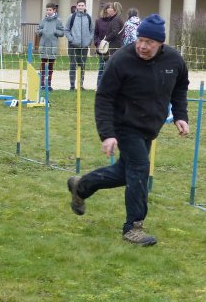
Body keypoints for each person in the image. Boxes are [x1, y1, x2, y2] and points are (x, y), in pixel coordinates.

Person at [67, 14, 189, 246]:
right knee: (140, 168)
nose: (142, 46)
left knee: (127, 171)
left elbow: (180, 87)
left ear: (160, 43)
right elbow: (104, 98)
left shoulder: (174, 60)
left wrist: (180, 116)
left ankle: (82, 185)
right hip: (124, 124)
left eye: (149, 42)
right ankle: (133, 227)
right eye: (140, 40)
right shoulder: (121, 59)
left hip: (149, 126)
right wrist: (108, 134)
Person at [65, 0, 94, 91]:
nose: (81, 7)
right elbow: (66, 29)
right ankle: (72, 86)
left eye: (82, 5)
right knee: (73, 65)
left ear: (85, 6)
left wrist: (89, 40)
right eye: (79, 5)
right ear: (77, 6)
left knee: (82, 65)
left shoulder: (89, 17)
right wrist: (71, 39)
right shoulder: (72, 17)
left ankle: (80, 85)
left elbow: (92, 30)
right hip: (73, 45)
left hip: (84, 46)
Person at [36, 2, 64, 91]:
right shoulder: (43, 20)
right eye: (47, 10)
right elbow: (38, 30)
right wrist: (41, 31)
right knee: (43, 65)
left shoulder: (58, 21)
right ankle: (42, 84)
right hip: (44, 45)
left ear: (54, 10)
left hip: (53, 46)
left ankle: (49, 84)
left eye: (50, 10)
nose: (48, 11)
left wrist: (55, 31)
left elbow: (62, 32)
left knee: (50, 66)